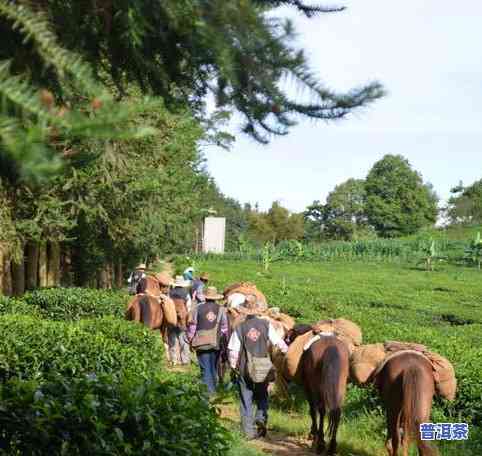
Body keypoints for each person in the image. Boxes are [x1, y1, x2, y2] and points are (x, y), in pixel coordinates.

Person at [228, 294, 288, 440]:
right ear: (257, 309)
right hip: (263, 366)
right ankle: (261, 417)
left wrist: (233, 366)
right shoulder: (266, 325)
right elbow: (280, 344)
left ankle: (248, 432)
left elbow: (233, 351)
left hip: (245, 368)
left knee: (245, 398)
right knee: (262, 395)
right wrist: (285, 352)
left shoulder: (240, 327)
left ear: (244, 310)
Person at [187, 286, 228, 396]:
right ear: (215, 298)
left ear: (205, 297)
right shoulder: (221, 309)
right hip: (215, 342)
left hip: (201, 342)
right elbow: (225, 328)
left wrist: (190, 339)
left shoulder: (198, 308)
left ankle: (208, 392)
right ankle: (213, 389)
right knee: (213, 366)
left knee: (205, 368)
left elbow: (193, 326)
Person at [168, 276, 192, 366]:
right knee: (183, 339)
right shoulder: (186, 293)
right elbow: (189, 306)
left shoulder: (170, 292)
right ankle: (184, 360)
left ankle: (173, 359)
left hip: (171, 317)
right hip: (182, 318)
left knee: (172, 338)